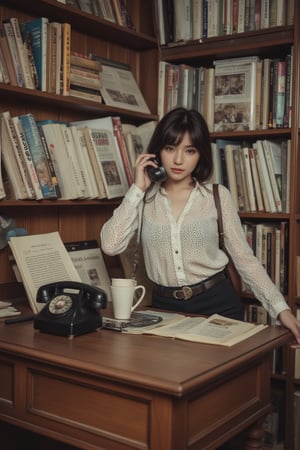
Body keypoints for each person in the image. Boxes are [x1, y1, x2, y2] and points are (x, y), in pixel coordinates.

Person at [101, 107, 300, 346]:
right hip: (164, 309)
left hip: (218, 304)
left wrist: (281, 310)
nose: (178, 160)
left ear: (200, 154)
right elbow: (110, 245)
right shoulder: (143, 199)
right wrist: (137, 189)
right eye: (170, 148)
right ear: (157, 153)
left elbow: (245, 260)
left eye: (189, 150)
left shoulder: (217, 196)